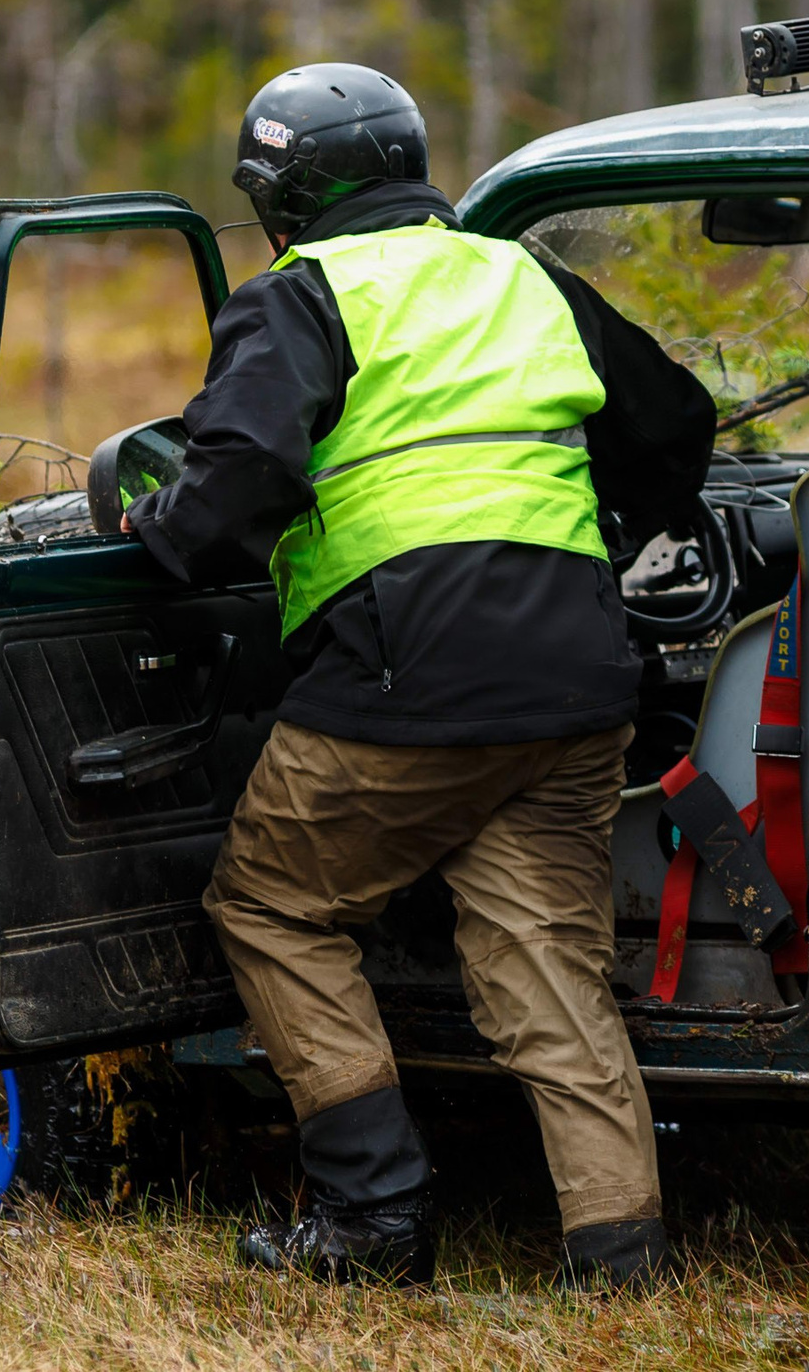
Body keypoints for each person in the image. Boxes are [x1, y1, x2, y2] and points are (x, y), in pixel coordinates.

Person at [126, 63, 716, 1289]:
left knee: (274, 907)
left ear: (276, 200)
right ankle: (618, 1255)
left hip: (411, 677)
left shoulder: (299, 296)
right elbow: (673, 427)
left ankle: (371, 1220)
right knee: (548, 966)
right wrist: (592, 544)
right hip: (574, 678)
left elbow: (237, 473)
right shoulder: (522, 273)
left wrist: (163, 534)